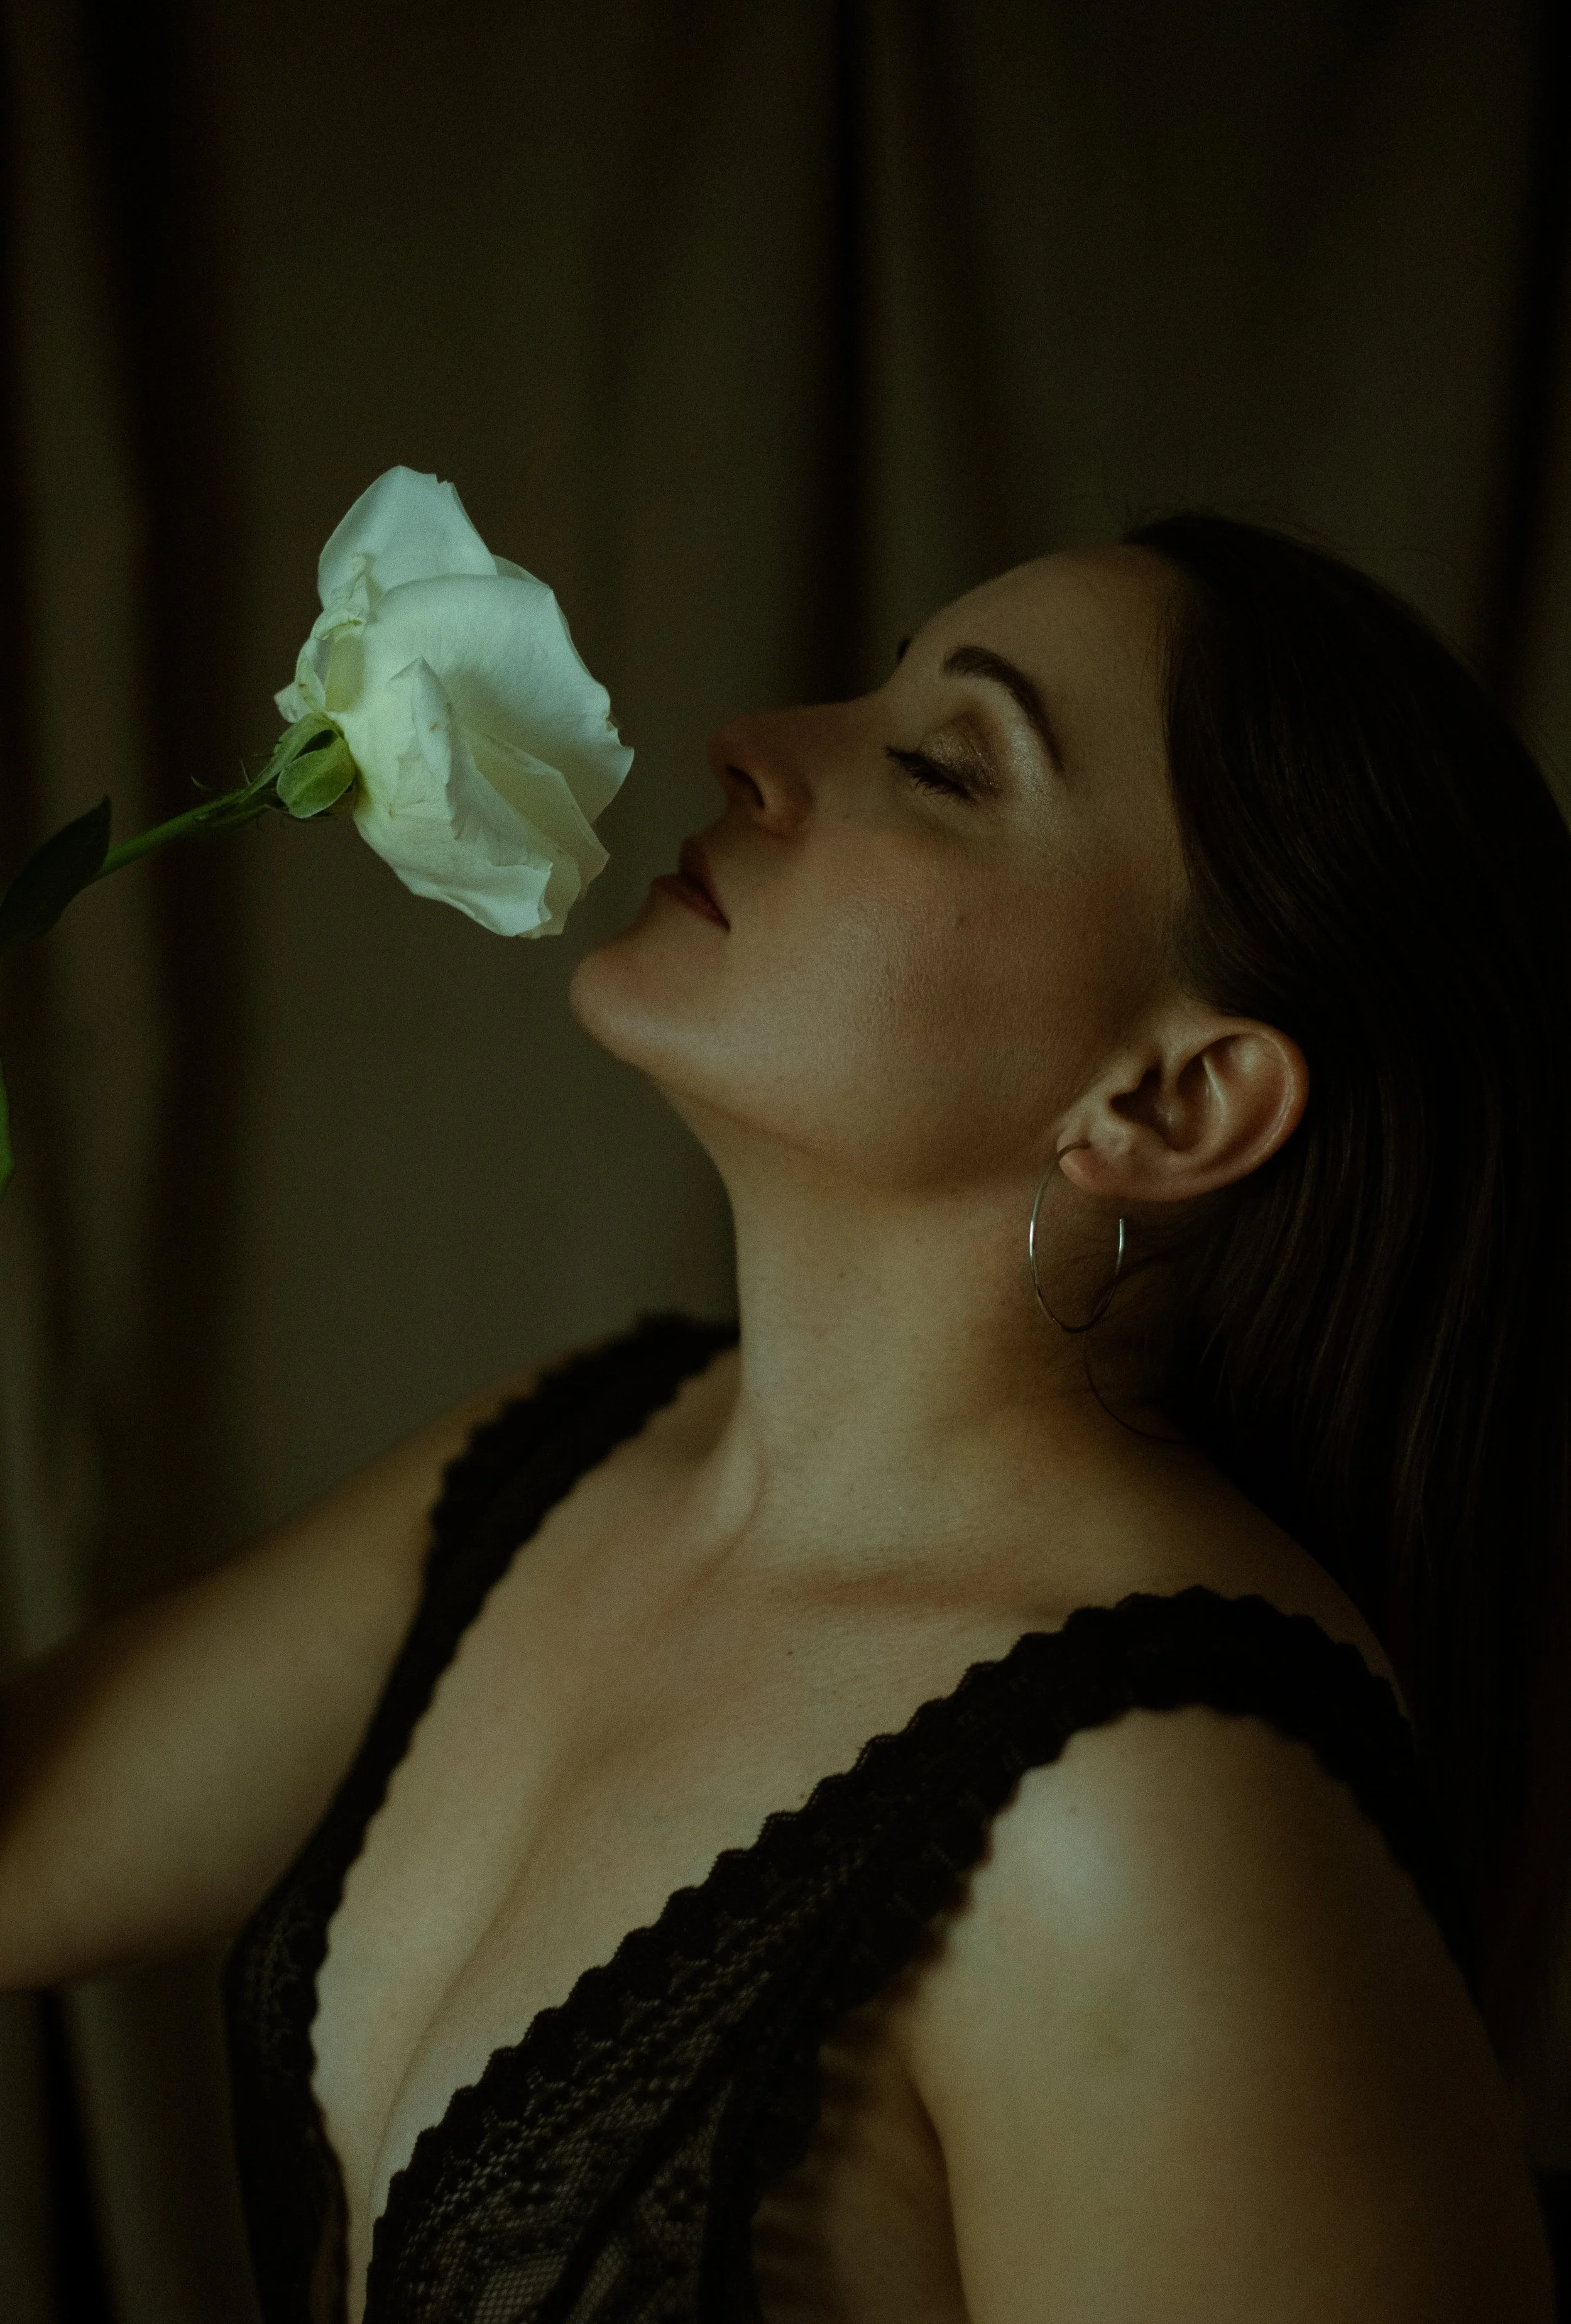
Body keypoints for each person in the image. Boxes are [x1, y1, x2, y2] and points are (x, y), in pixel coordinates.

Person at [0, 517, 1562, 2323]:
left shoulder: (1149, 1818)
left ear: (1174, 1096)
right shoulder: (565, 1465)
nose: (755, 735)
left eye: (941, 760)